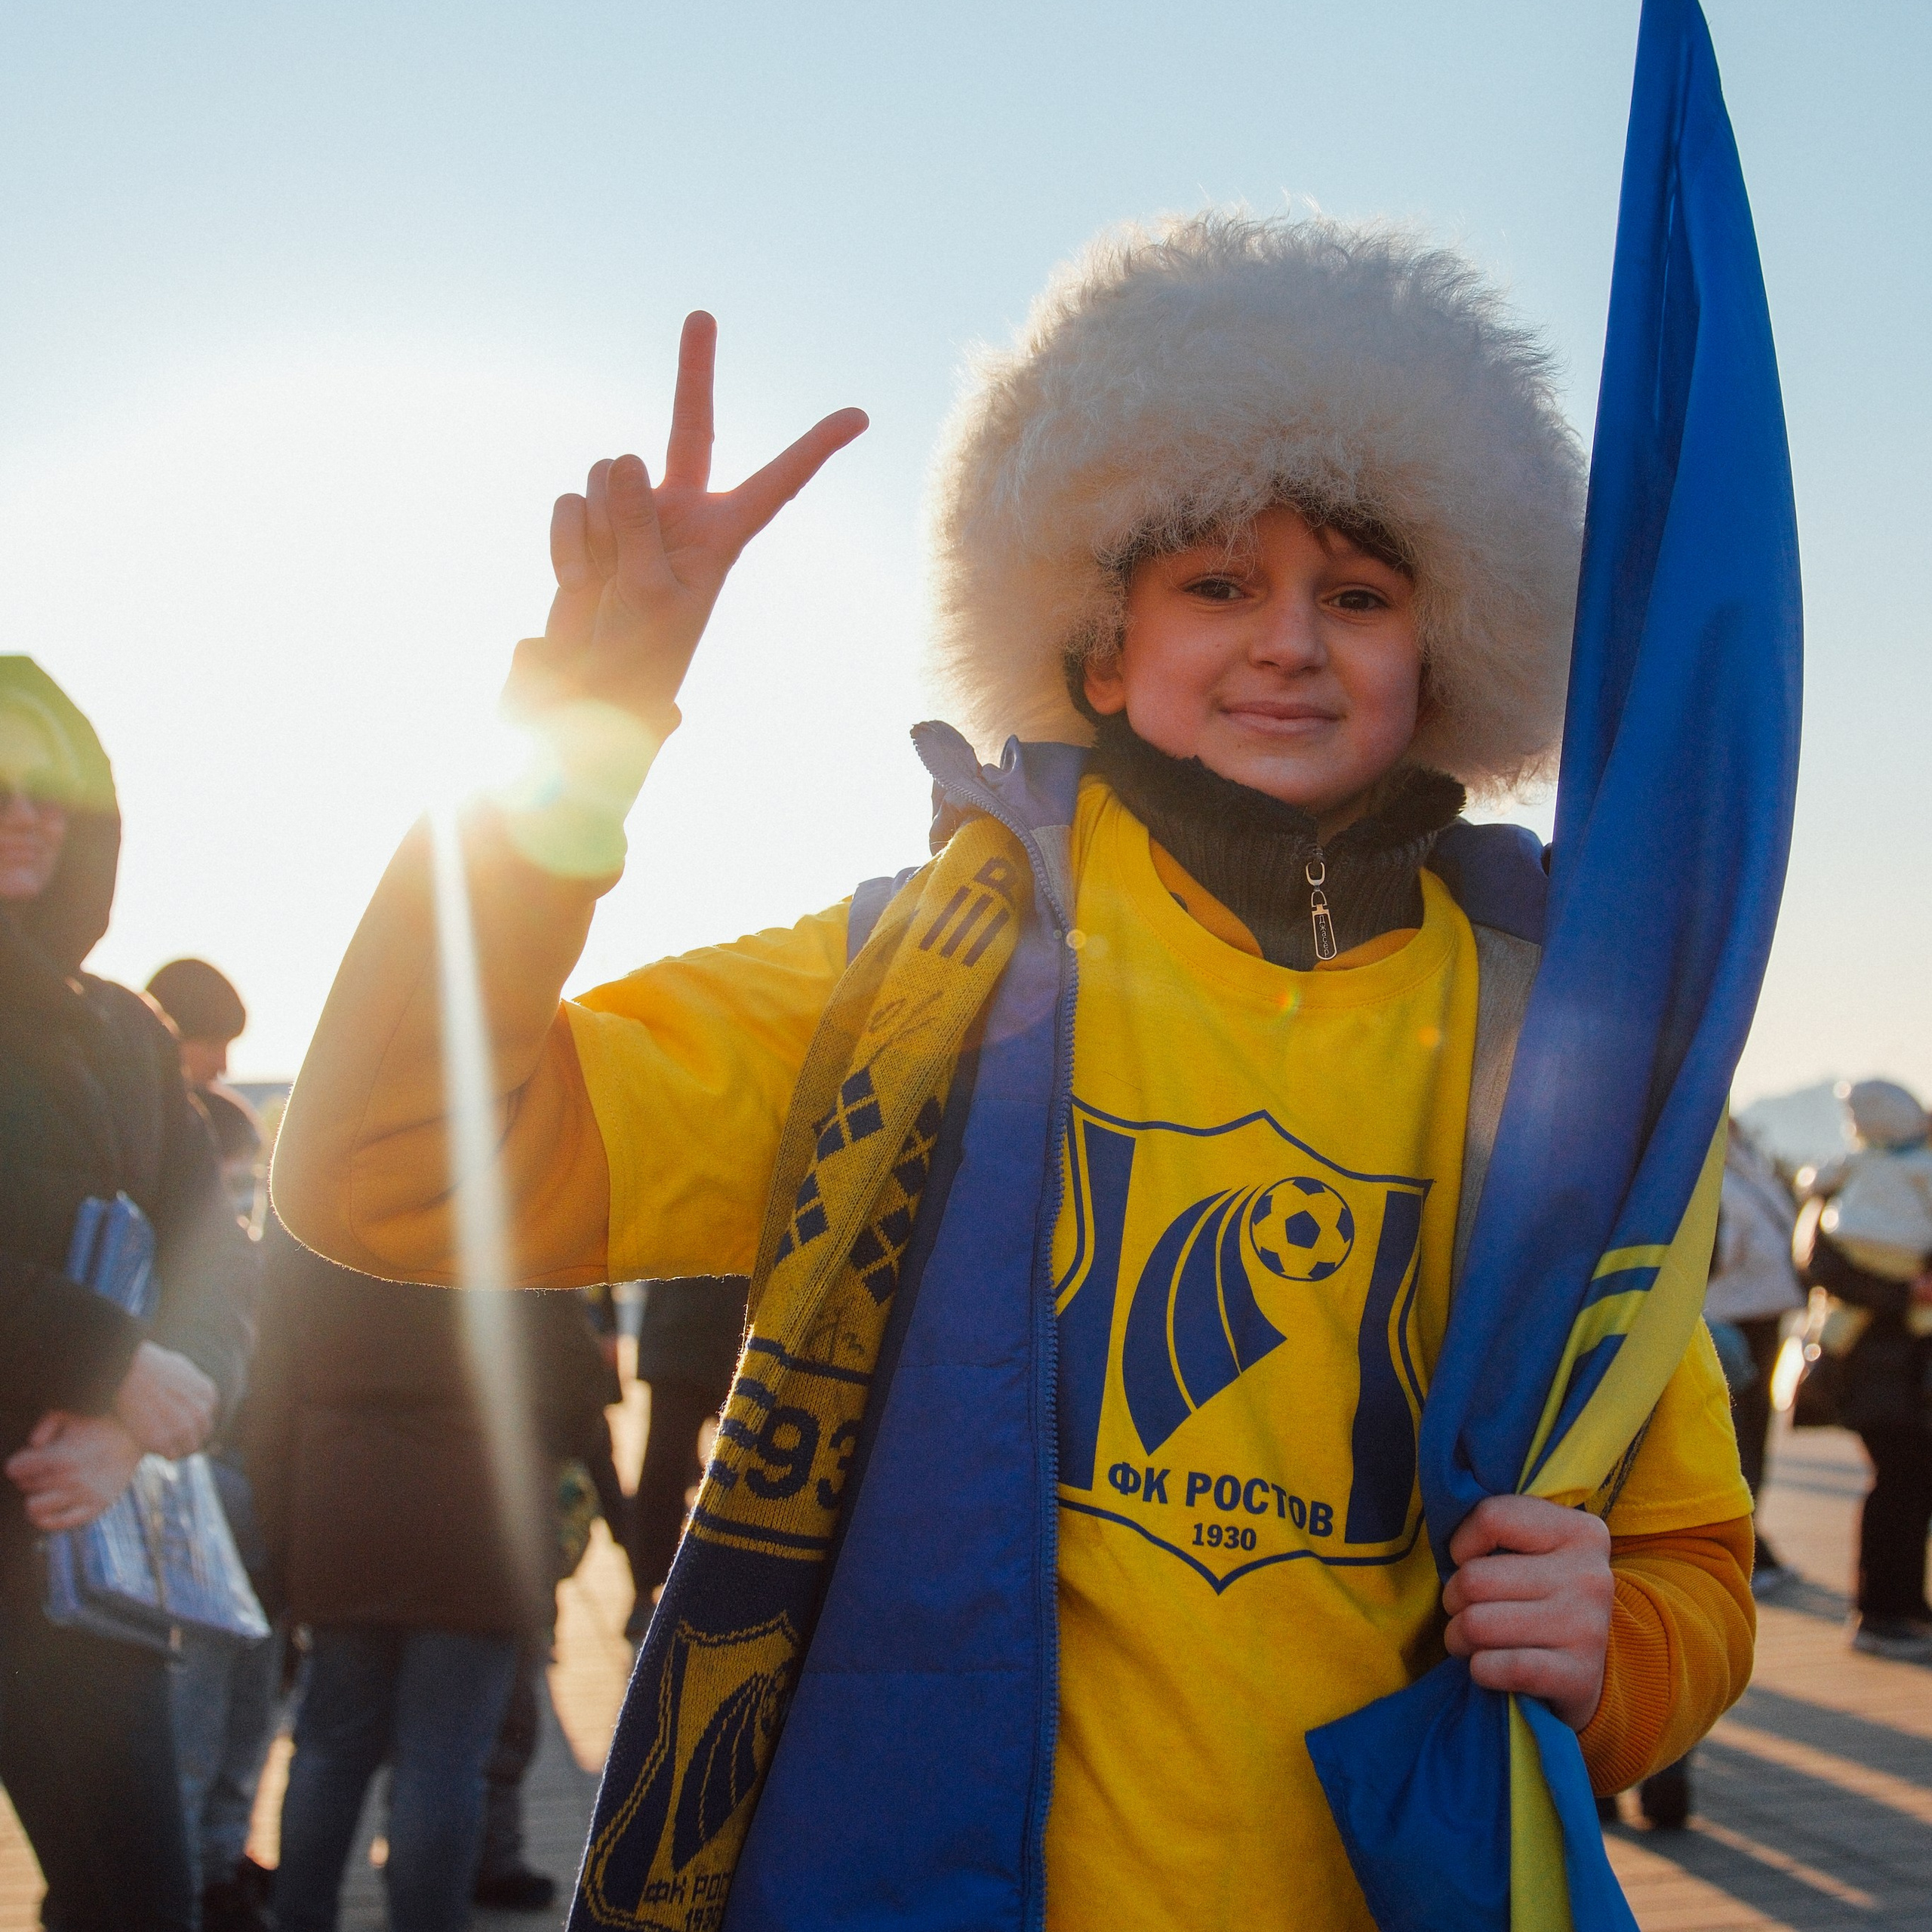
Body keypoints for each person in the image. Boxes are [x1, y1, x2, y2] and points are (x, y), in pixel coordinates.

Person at [273, 217, 1755, 1928]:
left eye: (1354, 592)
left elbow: (1687, 1561)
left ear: (1443, 655)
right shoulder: (916, 981)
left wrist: (1611, 1653)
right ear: (1098, 643)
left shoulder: (1554, 1054)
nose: (1287, 638)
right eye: (1213, 581)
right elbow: (391, 1162)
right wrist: (585, 714)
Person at [0, 657, 255, 1932]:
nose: (23, 807)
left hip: (78, 1565)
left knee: (140, 1907)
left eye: (48, 782)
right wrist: (105, 1361)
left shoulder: (129, 1032)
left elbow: (217, 1257)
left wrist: (148, 1409)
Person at [246, 1215, 585, 1932]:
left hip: (339, 1494)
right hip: (478, 1502)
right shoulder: (512, 1209)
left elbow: (268, 1396)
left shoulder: (316, 1204)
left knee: (331, 1743)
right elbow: (572, 1384)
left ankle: (298, 1915)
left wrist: (279, 1545)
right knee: (447, 1757)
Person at [144, 957, 281, 1932]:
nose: (224, 1062)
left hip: (243, 1454)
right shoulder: (141, 1127)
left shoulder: (220, 1125)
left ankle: (220, 1856)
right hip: (174, 1464)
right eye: (213, 1044)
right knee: (194, 1696)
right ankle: (185, 1878)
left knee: (248, 1684)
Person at [1794, 1080, 1932, 1660]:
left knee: (1912, 1482)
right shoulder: (1846, 1180)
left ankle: (1902, 1604)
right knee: (1899, 1481)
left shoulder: (1864, 1177)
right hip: (1877, 1363)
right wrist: (1906, 1292)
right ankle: (1879, 1612)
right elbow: (1817, 1263)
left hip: (1905, 1362)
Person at [1707, 1118, 1804, 1595]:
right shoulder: (1707, 1167)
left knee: (1752, 1437)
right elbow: (1711, 1252)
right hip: (1731, 1317)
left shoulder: (1745, 1163)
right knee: (1735, 1439)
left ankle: (1749, 1544)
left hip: (1764, 1315)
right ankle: (1738, 1550)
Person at [623, 1275, 749, 1631]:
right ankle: (646, 1588)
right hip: (683, 1338)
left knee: (744, 1475)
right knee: (663, 1473)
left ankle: (723, 1585)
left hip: (739, 1332)